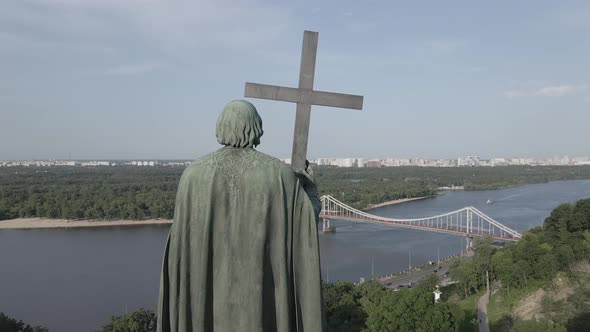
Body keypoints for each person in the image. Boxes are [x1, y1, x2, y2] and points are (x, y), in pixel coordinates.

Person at [157, 100, 325, 332]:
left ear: (221, 127)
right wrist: (310, 188)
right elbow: (307, 220)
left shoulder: (192, 175)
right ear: (256, 128)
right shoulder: (280, 174)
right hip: (261, 291)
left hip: (209, 294)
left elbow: (181, 247)